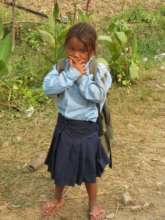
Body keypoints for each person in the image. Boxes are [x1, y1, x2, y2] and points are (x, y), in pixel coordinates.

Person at [42, 22, 112, 220]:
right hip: (64, 125)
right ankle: (58, 198)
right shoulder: (61, 67)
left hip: (87, 129)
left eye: (82, 50)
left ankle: (93, 205)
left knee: (89, 170)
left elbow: (98, 95)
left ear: (92, 50)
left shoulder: (99, 70)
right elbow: (48, 88)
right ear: (66, 47)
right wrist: (70, 75)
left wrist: (81, 78)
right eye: (72, 48)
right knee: (60, 166)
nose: (76, 54)